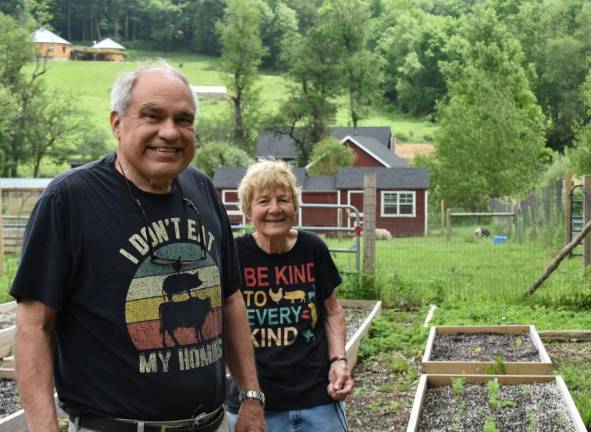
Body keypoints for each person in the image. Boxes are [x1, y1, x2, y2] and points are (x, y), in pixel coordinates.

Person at [10, 61, 265, 432]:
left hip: (212, 424)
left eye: (183, 119)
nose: (170, 132)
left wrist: (251, 397)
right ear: (117, 123)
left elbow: (230, 299)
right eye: (152, 116)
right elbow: (34, 325)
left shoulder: (202, 190)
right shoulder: (70, 200)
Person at [225, 160, 353, 431]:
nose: (274, 209)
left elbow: (332, 311)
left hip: (318, 400)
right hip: (255, 404)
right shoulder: (234, 256)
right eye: (263, 201)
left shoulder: (313, 249)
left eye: (283, 199)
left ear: (295, 207)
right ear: (249, 210)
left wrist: (339, 360)